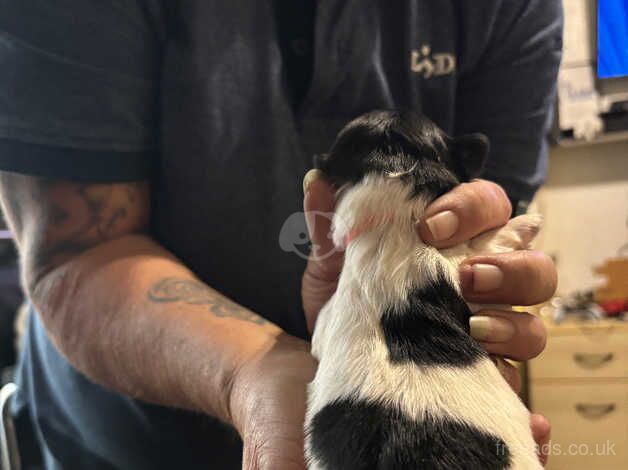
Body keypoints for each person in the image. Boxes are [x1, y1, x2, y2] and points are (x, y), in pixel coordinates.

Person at [0, 1, 561, 468]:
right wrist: (255, 372)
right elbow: (74, 252)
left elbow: (486, 226)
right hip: (127, 441)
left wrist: (478, 292)